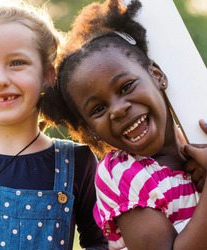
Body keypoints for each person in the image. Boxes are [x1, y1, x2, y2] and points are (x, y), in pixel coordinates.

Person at [41, 0, 207, 249]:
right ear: (88, 129)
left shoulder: (197, 139)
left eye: (126, 86)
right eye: (98, 109)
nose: (118, 109)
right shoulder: (122, 173)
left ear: (157, 76)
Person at [0, 0, 108, 249]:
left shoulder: (79, 162)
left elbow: (102, 243)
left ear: (48, 76)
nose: (0, 80)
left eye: (17, 62)